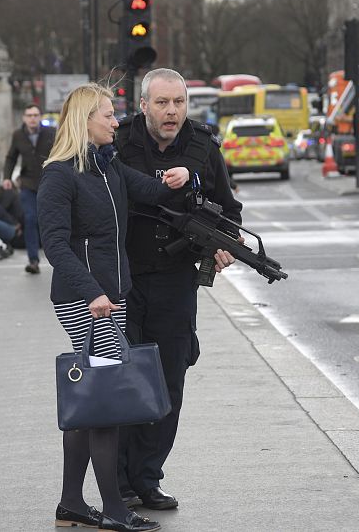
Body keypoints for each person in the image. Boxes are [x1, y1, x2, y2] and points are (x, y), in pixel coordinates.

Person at [37, 83, 190, 532]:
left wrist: (184, 176)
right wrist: (91, 292)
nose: (115, 121)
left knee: (93, 402)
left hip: (110, 295)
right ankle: (114, 511)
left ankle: (71, 503)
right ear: (85, 120)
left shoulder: (108, 167)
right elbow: (55, 244)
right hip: (86, 299)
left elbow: (155, 191)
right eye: (107, 114)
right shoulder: (59, 173)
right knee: (104, 403)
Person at [114, 68, 242, 510]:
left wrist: (224, 246)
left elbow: (230, 211)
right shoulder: (118, 141)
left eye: (179, 103)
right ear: (144, 104)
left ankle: (147, 478)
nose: (172, 112)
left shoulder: (203, 146)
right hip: (123, 279)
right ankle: (120, 482)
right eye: (163, 103)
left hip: (175, 279)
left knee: (169, 379)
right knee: (125, 378)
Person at [3, 103, 56, 274]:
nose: (32, 119)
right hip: (27, 184)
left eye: (35, 115)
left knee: (52, 221)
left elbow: (62, 152)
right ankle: (33, 260)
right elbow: (11, 157)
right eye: (29, 115)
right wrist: (6, 178)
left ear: (39, 117)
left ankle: (59, 259)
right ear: (24, 118)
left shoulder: (51, 133)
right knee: (30, 219)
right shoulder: (18, 135)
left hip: (49, 183)